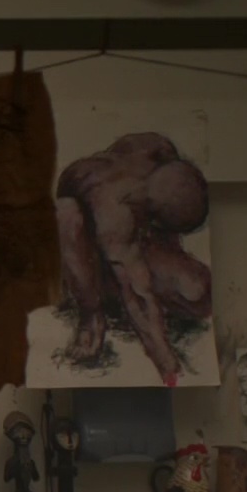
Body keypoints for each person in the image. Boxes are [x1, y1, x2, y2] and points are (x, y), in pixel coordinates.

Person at [54, 132, 211, 384]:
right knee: (65, 215)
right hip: (88, 253)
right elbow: (138, 295)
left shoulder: (154, 147)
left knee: (197, 293)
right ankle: (91, 314)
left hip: (129, 239)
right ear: (156, 221)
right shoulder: (115, 215)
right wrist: (166, 362)